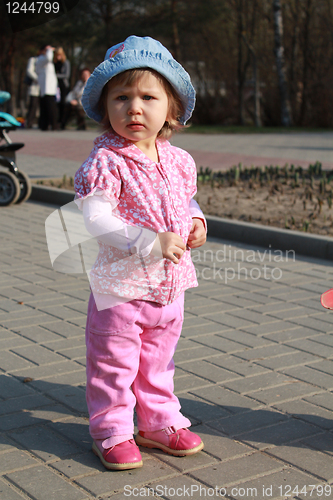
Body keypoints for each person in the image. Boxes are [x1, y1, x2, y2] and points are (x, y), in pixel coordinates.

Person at [74, 36, 207, 471]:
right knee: (114, 362)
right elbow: (93, 217)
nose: (134, 107)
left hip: (170, 287)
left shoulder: (179, 160)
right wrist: (150, 240)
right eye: (121, 97)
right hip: (121, 288)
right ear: (105, 106)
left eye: (148, 97)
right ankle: (111, 429)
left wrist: (196, 221)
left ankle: (158, 421)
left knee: (157, 359)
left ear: (170, 109)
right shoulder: (107, 162)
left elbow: (185, 200)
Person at [36, 45, 58, 130]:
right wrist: (49, 50)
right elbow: (49, 58)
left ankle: (47, 125)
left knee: (47, 107)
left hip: (48, 87)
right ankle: (51, 125)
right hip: (47, 88)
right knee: (49, 108)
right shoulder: (42, 59)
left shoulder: (42, 60)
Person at [54, 47, 71, 124]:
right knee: (56, 103)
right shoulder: (54, 63)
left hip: (63, 85)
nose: (58, 57)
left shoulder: (66, 62)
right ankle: (56, 120)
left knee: (63, 103)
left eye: (59, 55)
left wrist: (56, 75)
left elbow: (66, 75)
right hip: (55, 85)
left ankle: (62, 121)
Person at [25, 53, 40, 129]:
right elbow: (29, 71)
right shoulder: (33, 60)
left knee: (43, 106)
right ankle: (29, 123)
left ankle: (41, 123)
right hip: (34, 85)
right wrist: (38, 79)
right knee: (33, 106)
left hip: (44, 87)